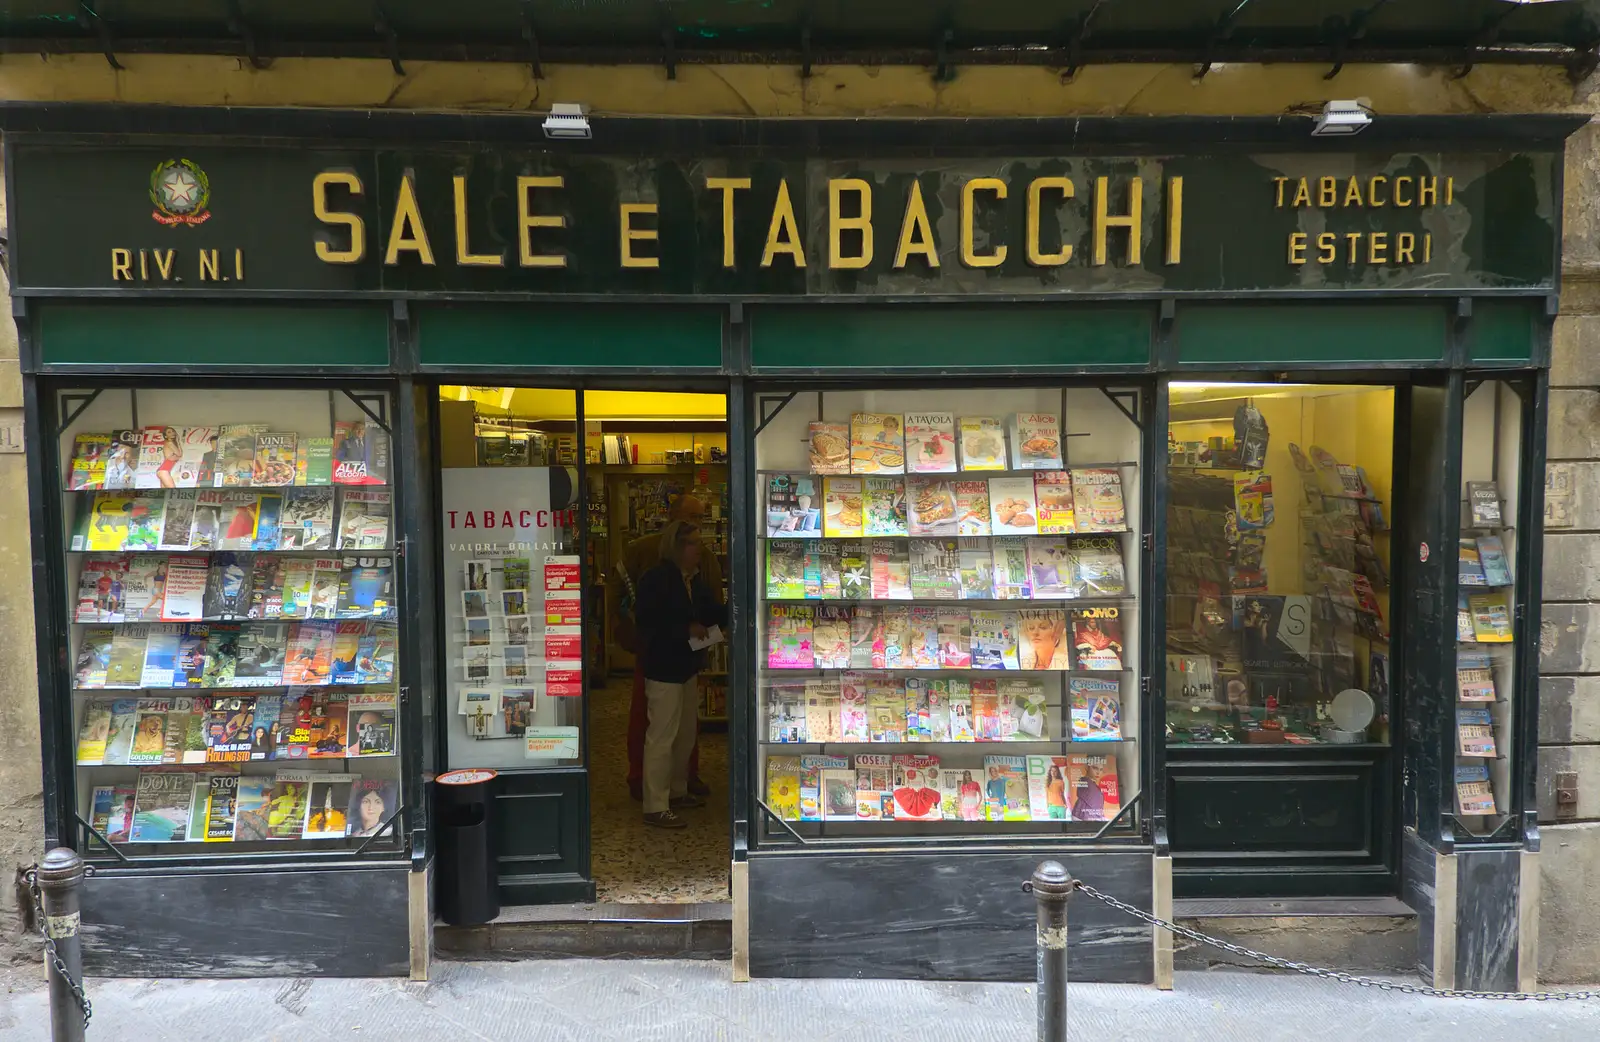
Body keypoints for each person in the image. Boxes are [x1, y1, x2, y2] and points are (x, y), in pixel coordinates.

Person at [609, 494, 723, 801]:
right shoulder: (647, 558)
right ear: (673, 516)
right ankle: (648, 788)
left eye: (701, 518)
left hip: (687, 657)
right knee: (654, 724)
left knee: (685, 726)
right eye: (691, 518)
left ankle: (681, 781)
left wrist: (716, 630)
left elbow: (711, 603)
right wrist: (630, 635)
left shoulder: (703, 560)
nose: (697, 526)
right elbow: (632, 602)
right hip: (657, 656)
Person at [632, 520, 727, 828]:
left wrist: (731, 612)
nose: (700, 549)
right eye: (693, 543)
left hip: (686, 666)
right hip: (663, 668)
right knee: (661, 736)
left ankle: (677, 790)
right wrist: (686, 629)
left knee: (685, 734)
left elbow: (708, 610)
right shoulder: (656, 579)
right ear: (676, 547)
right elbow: (648, 623)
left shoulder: (692, 580)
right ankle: (655, 804)